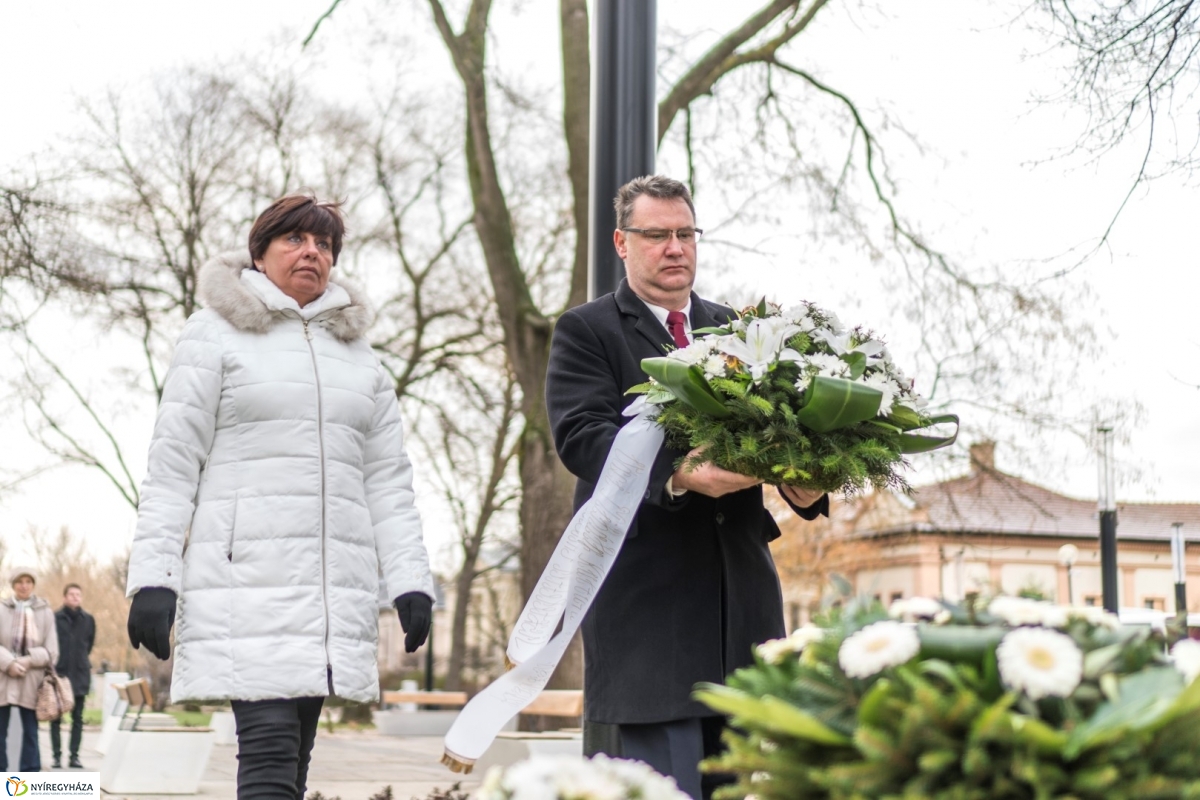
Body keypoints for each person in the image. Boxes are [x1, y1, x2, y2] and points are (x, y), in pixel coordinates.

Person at [125, 195, 436, 800]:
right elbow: (172, 466)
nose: (311, 252)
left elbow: (388, 481)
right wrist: (155, 577)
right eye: (294, 239)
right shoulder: (213, 334)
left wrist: (410, 582)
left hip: (331, 593)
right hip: (247, 583)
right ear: (259, 253)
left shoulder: (360, 357)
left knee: (293, 762)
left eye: (324, 244)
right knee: (269, 753)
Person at [544, 175, 829, 800]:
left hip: (740, 611)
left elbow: (782, 434)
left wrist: (806, 484)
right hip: (649, 620)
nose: (675, 248)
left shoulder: (741, 331)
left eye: (685, 233)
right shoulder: (588, 330)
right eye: (656, 235)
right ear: (622, 243)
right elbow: (582, 437)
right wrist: (675, 475)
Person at [0, 567, 59, 772]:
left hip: (32, 679)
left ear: (33, 585)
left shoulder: (45, 611)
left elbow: (52, 651)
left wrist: (27, 661)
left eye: (28, 581)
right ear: (13, 585)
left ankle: (30, 776)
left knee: (31, 733)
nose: (24, 586)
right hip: (3, 678)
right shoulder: (1, 609)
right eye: (19, 581)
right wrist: (9, 664)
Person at [51, 583, 94, 769]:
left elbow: (89, 645)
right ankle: (56, 757)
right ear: (64, 597)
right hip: (59, 675)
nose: (75, 597)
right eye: (72, 594)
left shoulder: (88, 620)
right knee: (55, 718)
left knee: (78, 718)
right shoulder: (54, 619)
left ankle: (74, 756)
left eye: (78, 594)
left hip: (80, 675)